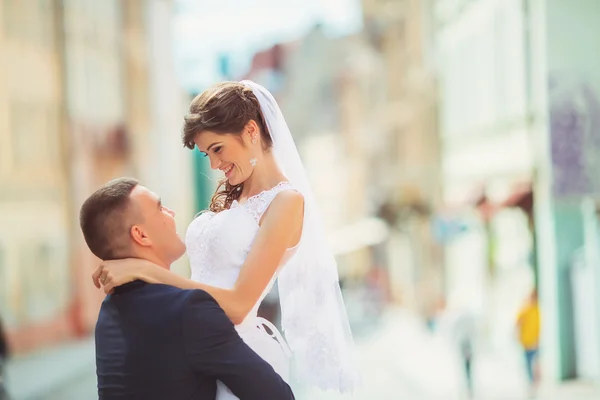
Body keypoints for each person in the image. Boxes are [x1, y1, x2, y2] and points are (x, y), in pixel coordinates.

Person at [93, 81, 359, 398]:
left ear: (250, 131)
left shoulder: (287, 202)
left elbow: (237, 304)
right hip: (197, 354)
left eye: (217, 149)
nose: (214, 165)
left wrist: (145, 270)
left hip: (240, 357)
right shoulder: (233, 198)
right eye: (207, 154)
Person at [80, 177, 294, 400]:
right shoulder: (190, 310)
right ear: (141, 235)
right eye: (160, 208)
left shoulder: (109, 309)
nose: (170, 213)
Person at [516, 289, 541, 395]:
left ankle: (534, 385)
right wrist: (519, 337)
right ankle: (530, 385)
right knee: (528, 366)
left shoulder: (537, 310)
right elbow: (517, 324)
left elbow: (539, 326)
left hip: (535, 343)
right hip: (526, 343)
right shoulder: (524, 309)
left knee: (535, 365)